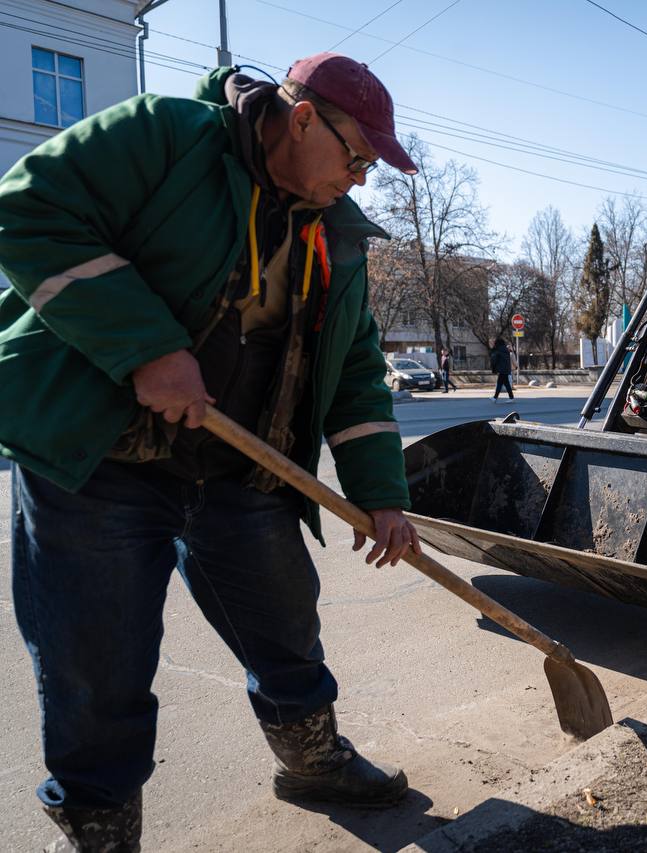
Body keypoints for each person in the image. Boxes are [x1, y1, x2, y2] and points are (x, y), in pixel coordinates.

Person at [0, 53, 424, 849]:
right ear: (302, 119)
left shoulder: (335, 234)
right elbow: (26, 208)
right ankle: (99, 826)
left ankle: (312, 761)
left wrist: (382, 493)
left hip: (240, 466)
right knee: (95, 661)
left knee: (286, 624)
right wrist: (145, 347)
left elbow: (357, 366)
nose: (362, 179)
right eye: (357, 157)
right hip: (103, 460)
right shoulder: (166, 137)